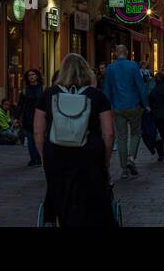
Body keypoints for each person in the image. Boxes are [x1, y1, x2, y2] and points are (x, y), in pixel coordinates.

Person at [34, 53, 117, 227]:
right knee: (93, 195)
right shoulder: (97, 96)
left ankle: (59, 220)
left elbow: (38, 132)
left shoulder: (48, 94)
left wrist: (44, 156)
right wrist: (105, 160)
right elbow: (109, 133)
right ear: (87, 72)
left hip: (56, 153)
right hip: (89, 154)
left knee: (59, 193)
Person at [103, 44, 148, 178]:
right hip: (133, 105)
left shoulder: (110, 68)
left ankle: (124, 170)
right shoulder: (133, 66)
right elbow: (140, 86)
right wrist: (145, 104)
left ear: (115, 53)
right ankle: (131, 158)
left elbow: (107, 89)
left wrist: (107, 108)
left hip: (117, 107)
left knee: (122, 137)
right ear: (127, 52)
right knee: (136, 133)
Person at [16, 68, 45, 166]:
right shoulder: (25, 90)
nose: (31, 77)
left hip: (40, 117)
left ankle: (39, 158)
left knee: (39, 138)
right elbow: (20, 105)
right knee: (30, 139)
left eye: (33, 74)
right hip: (28, 117)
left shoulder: (43, 88)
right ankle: (33, 158)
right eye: (29, 75)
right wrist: (16, 117)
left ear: (37, 76)